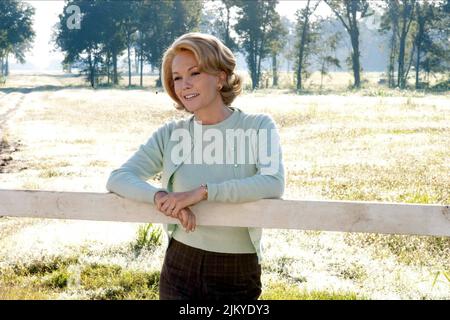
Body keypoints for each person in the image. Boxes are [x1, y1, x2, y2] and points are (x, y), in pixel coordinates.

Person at [106, 32, 285, 300]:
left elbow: (273, 183)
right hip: (179, 261)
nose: (184, 84)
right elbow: (118, 178)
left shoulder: (258, 126)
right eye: (177, 77)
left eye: (194, 73)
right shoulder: (170, 134)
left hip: (235, 268)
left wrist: (201, 192)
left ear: (221, 77)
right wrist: (162, 198)